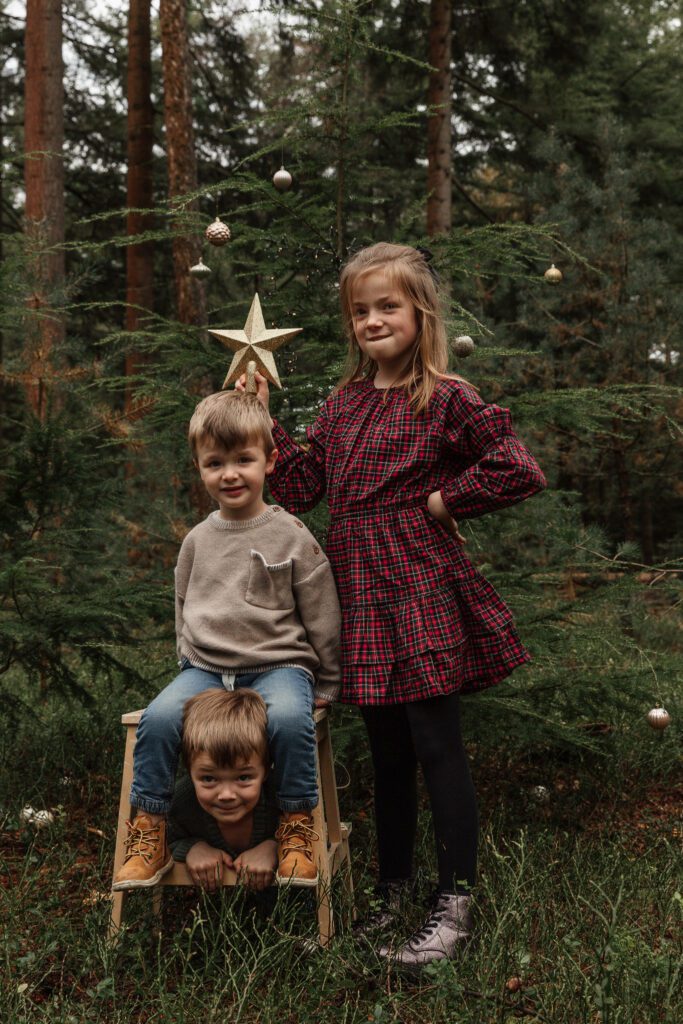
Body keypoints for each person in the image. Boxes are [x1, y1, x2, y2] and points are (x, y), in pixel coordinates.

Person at [237, 242, 546, 968]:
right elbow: (305, 486)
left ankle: (454, 900)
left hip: (418, 585)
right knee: (386, 753)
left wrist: (445, 498)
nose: (372, 320)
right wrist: (265, 420)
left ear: (419, 313)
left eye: (387, 307)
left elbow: (516, 466)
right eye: (360, 310)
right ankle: (393, 893)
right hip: (355, 593)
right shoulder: (342, 405)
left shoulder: (445, 396)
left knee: (435, 745)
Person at [113, 390, 341, 893]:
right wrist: (186, 660)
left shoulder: (290, 533)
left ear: (270, 460)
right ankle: (150, 829)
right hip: (207, 668)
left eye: (244, 460)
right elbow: (184, 602)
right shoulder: (198, 539)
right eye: (215, 463)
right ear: (199, 466)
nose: (230, 474)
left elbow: (321, 608)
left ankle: (295, 824)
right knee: (158, 718)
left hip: (278, 664)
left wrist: (325, 678)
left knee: (285, 718)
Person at [168, 688, 279, 892]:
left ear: (265, 770)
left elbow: (314, 834)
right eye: (209, 779)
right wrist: (192, 848)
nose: (226, 795)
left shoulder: (279, 794)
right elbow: (165, 838)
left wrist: (275, 847)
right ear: (190, 772)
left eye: (244, 777)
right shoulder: (182, 801)